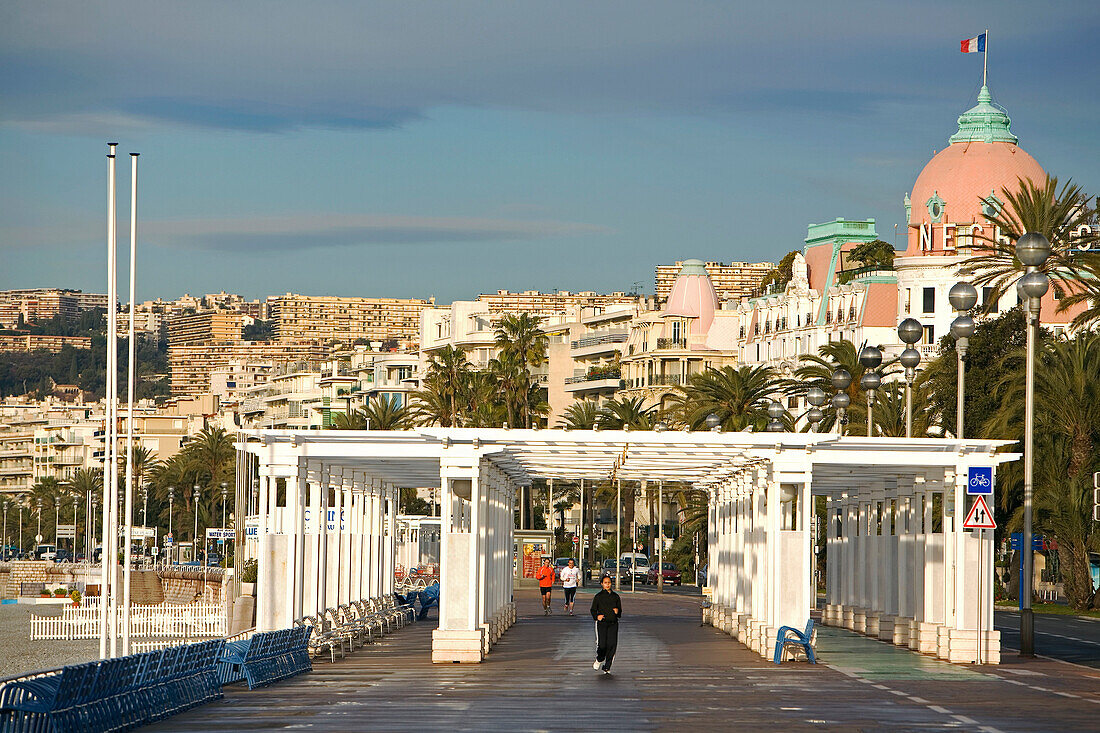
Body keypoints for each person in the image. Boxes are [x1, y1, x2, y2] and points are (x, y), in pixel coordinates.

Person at [590, 572, 622, 674]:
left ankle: (607, 667)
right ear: (601, 584)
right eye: (605, 583)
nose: (607, 584)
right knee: (602, 645)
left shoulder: (615, 597)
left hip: (613, 624)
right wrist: (597, 617)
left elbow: (620, 611)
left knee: (612, 645)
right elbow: (593, 610)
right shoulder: (598, 597)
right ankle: (599, 659)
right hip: (602, 624)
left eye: (609, 582)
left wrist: (617, 612)